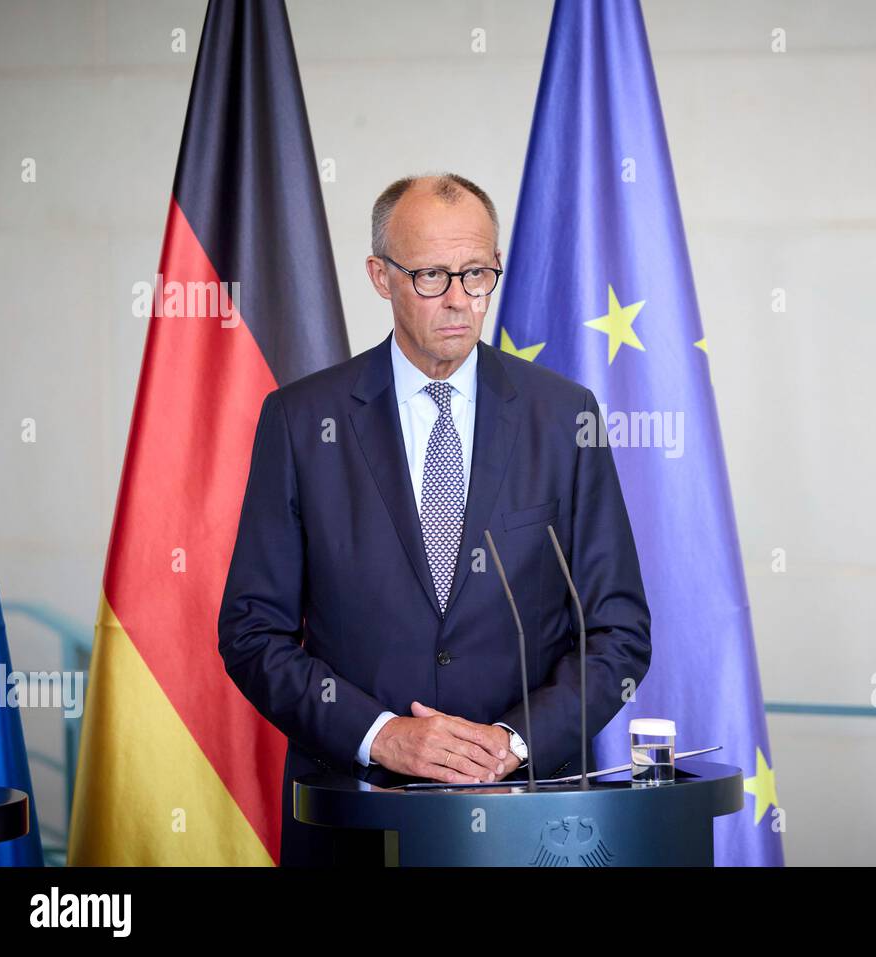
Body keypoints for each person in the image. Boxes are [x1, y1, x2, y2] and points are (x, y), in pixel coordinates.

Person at [217, 173, 651, 865]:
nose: (458, 299)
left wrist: (510, 742)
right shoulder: (302, 420)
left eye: (476, 273)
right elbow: (250, 631)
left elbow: (618, 630)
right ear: (380, 276)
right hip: (357, 815)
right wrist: (381, 734)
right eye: (429, 276)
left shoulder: (564, 416)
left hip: (531, 819)